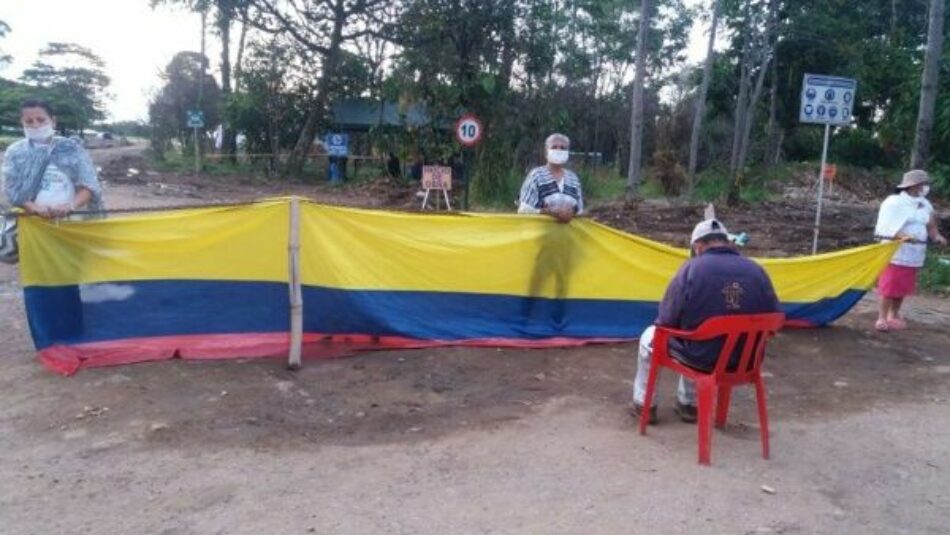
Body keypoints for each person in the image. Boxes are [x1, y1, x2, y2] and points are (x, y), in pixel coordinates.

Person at [632, 219, 781, 424]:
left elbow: (666, 321)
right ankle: (689, 405)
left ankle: (644, 406)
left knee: (653, 337)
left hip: (701, 359)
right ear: (727, 242)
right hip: (746, 361)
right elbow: (776, 317)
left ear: (698, 247)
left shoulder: (691, 269)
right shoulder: (757, 271)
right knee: (696, 335)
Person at [2, 98, 104, 219]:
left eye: (41, 120)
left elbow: (89, 185)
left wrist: (71, 205)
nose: (36, 125)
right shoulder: (15, 152)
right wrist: (34, 208)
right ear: (22, 123)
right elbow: (12, 190)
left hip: (72, 221)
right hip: (32, 222)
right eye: (29, 121)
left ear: (53, 121)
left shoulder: (71, 148)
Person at [873, 170, 946, 332]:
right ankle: (882, 317)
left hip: (914, 254)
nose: (926, 187)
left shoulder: (925, 204)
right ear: (914, 185)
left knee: (902, 287)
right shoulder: (893, 202)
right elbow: (885, 226)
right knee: (889, 286)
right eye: (923, 184)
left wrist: (937, 237)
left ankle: (894, 314)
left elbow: (931, 226)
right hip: (895, 252)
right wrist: (902, 236)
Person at [518, 133, 584, 223]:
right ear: (546, 152)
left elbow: (580, 211)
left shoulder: (573, 179)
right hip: (541, 234)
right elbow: (523, 210)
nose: (558, 150)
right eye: (554, 147)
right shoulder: (536, 176)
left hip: (567, 236)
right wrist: (551, 212)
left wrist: (571, 213)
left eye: (562, 148)